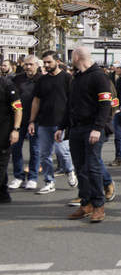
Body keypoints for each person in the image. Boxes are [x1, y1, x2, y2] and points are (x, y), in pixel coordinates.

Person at [57, 47, 114, 223]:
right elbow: (70, 105)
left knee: (93, 167)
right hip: (76, 129)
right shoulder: (76, 77)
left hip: (92, 128)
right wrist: (62, 127)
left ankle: (98, 205)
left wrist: (98, 127)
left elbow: (105, 105)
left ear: (76, 57)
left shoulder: (99, 76)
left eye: (71, 56)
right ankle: (86, 203)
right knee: (80, 168)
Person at [28, 51, 77, 192]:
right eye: (44, 62)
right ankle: (49, 181)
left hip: (61, 123)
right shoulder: (42, 80)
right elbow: (36, 101)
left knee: (62, 152)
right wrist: (32, 121)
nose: (46, 65)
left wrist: (70, 120)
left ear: (58, 61)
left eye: (49, 62)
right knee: (44, 154)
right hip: (44, 123)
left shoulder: (67, 78)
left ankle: (70, 171)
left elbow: (73, 101)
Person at [9, 56, 41, 191]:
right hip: (18, 120)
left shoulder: (42, 79)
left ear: (37, 65)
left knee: (35, 150)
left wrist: (34, 121)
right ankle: (18, 176)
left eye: (31, 64)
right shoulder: (17, 79)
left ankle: (33, 178)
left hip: (36, 121)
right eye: (26, 64)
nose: (28, 67)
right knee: (16, 148)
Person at [0, 74, 22, 203]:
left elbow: (18, 109)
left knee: (1, 163)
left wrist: (16, 129)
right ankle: (3, 194)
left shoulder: (7, 85)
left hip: (4, 132)